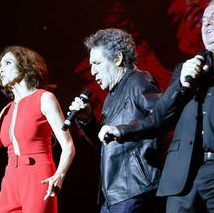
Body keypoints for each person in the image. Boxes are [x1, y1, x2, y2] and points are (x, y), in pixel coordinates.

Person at [100, 0, 214, 213]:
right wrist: (180, 84)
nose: (206, 24)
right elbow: (159, 119)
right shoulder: (186, 70)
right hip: (182, 177)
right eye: (203, 20)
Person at [0, 46, 75, 213]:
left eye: (8, 62)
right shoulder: (6, 110)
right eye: (0, 65)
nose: (1, 68)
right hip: (11, 178)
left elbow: (68, 145)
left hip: (38, 175)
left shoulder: (44, 98)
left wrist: (59, 175)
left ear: (24, 66)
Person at [68, 28, 162, 213]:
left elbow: (161, 119)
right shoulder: (113, 95)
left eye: (97, 63)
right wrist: (87, 120)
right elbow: (105, 142)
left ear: (118, 59)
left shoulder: (139, 81)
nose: (92, 72)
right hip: (114, 193)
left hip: (134, 188)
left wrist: (122, 130)